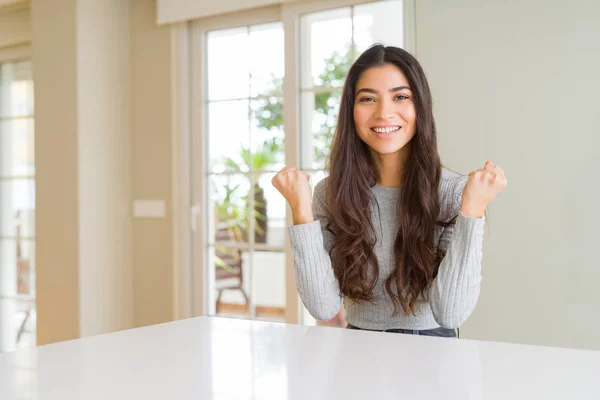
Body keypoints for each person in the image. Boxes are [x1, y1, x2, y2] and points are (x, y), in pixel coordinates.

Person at [272, 44, 507, 337]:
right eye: (368, 98)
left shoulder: (454, 192)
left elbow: (451, 313)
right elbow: (323, 308)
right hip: (358, 344)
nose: (384, 113)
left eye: (400, 97)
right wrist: (301, 211)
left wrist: (472, 211)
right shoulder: (329, 193)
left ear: (420, 107)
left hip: (433, 351)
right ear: (351, 112)